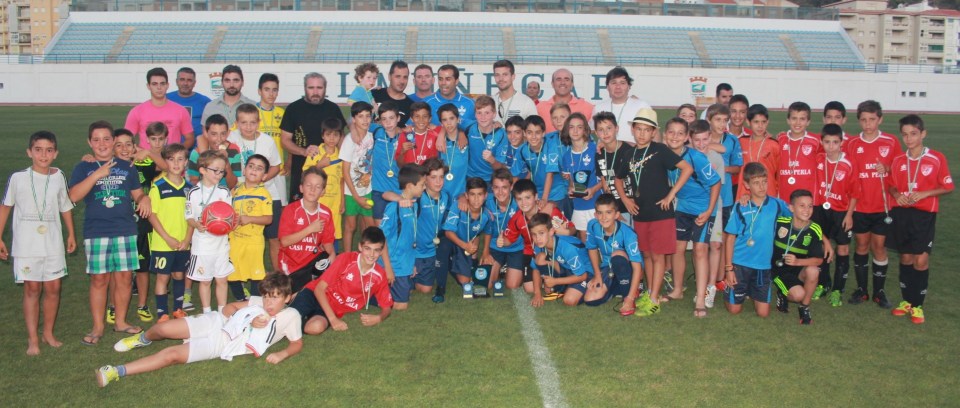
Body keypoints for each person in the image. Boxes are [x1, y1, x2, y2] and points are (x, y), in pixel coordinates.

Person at [96, 273, 303, 388]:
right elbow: (229, 308)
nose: (268, 302)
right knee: (162, 328)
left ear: (287, 298)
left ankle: (115, 371)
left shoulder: (291, 316)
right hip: (216, 322)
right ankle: (143, 339)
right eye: (266, 297)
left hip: (224, 343)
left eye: (275, 297)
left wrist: (282, 354)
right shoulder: (257, 302)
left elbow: (296, 343)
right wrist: (246, 319)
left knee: (172, 355)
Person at [69, 121, 152, 345]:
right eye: (96, 140)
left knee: (124, 277)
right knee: (99, 279)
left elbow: (137, 194)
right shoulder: (83, 167)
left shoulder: (127, 167)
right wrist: (97, 174)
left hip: (125, 228)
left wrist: (145, 198)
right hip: (97, 230)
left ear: (113, 141)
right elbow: (73, 196)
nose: (102, 144)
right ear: (89, 142)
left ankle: (121, 322)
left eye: (106, 139)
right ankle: (97, 327)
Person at [0, 130, 76, 355]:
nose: (44, 155)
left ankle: (48, 333)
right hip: (27, 244)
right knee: (32, 288)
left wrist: (71, 234)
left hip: (52, 242)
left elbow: (65, 206)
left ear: (56, 153)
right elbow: (5, 207)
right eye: (38, 150)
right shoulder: (18, 178)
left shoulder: (59, 176)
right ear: (29, 152)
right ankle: (33, 338)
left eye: (49, 150)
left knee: (54, 288)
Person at [615, 108, 693, 315]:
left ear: (653, 132)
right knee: (647, 255)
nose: (642, 133)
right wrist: (625, 199)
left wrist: (671, 195)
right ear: (633, 130)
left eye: (647, 130)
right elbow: (617, 178)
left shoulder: (660, 150)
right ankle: (651, 292)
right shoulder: (629, 154)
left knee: (658, 256)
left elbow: (687, 169)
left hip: (660, 213)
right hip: (640, 213)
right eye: (638, 129)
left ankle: (653, 299)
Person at [887, 114, 953, 324]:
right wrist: (897, 194)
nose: (909, 138)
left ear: (923, 134)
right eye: (905, 134)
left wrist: (925, 194)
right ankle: (906, 301)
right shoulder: (898, 160)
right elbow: (891, 184)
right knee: (906, 258)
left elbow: (947, 186)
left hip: (924, 215)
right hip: (901, 213)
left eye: (914, 134)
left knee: (921, 260)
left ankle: (917, 305)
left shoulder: (936, 158)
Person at [844, 100, 902, 308]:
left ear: (880, 119)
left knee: (879, 247)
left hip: (882, 208)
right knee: (861, 245)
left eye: (872, 119)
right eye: (863, 120)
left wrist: (887, 168)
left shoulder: (891, 141)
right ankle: (862, 290)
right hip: (860, 207)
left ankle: (879, 292)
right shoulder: (852, 144)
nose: (868, 124)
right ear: (858, 121)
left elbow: (901, 168)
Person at [662, 118, 720, 316]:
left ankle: (701, 299)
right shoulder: (664, 155)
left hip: (703, 209)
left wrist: (709, 210)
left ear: (687, 137)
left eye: (680, 133)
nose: (675, 137)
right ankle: (677, 290)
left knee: (700, 250)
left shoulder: (696, 158)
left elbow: (716, 183)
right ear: (665, 135)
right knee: (677, 248)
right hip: (683, 208)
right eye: (671, 132)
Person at [289, 227, 393, 335]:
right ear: (360, 247)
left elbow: (387, 307)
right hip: (313, 295)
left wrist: (379, 318)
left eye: (376, 250)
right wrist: (333, 320)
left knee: (315, 328)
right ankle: (292, 311)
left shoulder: (379, 275)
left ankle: (297, 318)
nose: (371, 254)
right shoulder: (346, 259)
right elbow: (319, 289)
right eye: (367, 248)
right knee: (289, 318)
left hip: (331, 308)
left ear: (381, 251)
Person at [723, 162, 792, 318]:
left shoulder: (777, 204)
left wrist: (824, 239)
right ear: (747, 185)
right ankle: (733, 287)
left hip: (763, 265)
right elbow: (730, 238)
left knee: (763, 314)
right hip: (740, 263)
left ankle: (750, 290)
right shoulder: (740, 206)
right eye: (756, 183)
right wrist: (728, 269)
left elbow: (799, 218)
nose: (761, 187)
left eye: (764, 182)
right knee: (734, 310)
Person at [501, 179, 576, 307]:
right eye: (519, 199)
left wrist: (565, 231)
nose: (524, 203)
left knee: (549, 287)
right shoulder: (516, 218)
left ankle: (554, 275)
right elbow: (509, 239)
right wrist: (502, 241)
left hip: (552, 253)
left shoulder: (549, 211)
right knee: (529, 289)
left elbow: (572, 229)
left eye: (527, 198)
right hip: (530, 253)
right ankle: (542, 277)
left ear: (536, 197)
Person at [228, 103, 284, 273]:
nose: (248, 127)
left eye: (252, 122)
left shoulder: (267, 141)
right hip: (240, 194)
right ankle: (239, 271)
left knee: (273, 238)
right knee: (240, 234)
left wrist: (263, 179)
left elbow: (276, 165)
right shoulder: (231, 138)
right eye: (244, 123)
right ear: (236, 123)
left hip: (268, 194)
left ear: (258, 122)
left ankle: (277, 275)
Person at [280, 72, 346, 201]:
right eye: (311, 88)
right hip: (301, 169)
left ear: (325, 88)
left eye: (319, 88)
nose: (315, 92)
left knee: (329, 206)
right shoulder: (293, 109)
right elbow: (285, 140)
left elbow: (341, 139)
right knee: (301, 208)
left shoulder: (333, 109)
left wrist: (343, 162)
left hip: (330, 168)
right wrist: (303, 151)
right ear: (305, 88)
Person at [145, 143, 191, 323]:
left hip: (182, 242)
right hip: (163, 243)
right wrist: (167, 238)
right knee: (163, 277)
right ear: (165, 162)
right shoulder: (158, 187)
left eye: (180, 159)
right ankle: (162, 313)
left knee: (179, 275)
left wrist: (187, 239)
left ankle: (178, 309)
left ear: (186, 162)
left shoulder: (189, 189)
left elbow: (192, 217)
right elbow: (152, 215)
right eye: (171, 159)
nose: (176, 163)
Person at [185, 150, 234, 314]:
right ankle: (207, 313)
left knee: (222, 280)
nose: (219, 175)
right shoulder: (193, 193)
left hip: (221, 245)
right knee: (205, 281)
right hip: (202, 246)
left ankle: (222, 313)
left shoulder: (224, 192)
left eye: (222, 171)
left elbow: (229, 216)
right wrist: (197, 224)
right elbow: (189, 217)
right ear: (202, 170)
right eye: (215, 170)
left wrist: (229, 222)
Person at [815, 124, 858, 307]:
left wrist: (849, 215)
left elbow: (855, 193)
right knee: (822, 247)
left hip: (841, 212)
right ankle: (823, 284)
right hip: (821, 210)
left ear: (841, 142)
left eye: (835, 142)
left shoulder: (849, 164)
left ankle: (838, 290)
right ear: (821, 142)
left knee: (842, 249)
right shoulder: (818, 159)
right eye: (827, 142)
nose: (831, 146)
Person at [278, 167, 337, 292]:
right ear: (301, 188)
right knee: (295, 295)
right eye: (309, 185)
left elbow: (328, 241)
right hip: (291, 265)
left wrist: (332, 255)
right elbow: (284, 241)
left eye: (317, 187)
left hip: (312, 262)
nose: (312, 190)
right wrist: (309, 229)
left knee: (320, 291)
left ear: (323, 191)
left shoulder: (326, 213)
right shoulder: (291, 210)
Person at [584, 194, 644, 314]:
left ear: (616, 215)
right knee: (590, 299)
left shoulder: (628, 233)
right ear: (595, 215)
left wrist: (630, 298)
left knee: (617, 256)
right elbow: (592, 249)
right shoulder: (593, 225)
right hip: (608, 267)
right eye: (600, 213)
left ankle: (629, 295)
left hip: (629, 268)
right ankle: (615, 288)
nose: (604, 217)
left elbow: (637, 267)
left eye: (608, 212)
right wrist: (597, 275)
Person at [771, 189, 824, 325]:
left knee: (813, 271)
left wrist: (798, 261)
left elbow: (818, 260)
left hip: (798, 268)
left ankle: (804, 308)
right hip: (779, 269)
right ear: (791, 208)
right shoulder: (780, 222)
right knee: (798, 295)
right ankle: (783, 293)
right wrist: (746, 198)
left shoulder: (814, 229)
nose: (807, 210)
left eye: (810, 206)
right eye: (802, 206)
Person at [227, 154, 274, 302]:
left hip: (254, 242)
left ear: (264, 176)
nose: (254, 170)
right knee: (231, 273)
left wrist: (250, 219)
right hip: (235, 240)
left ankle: (255, 302)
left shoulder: (264, 194)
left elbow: (268, 219)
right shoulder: (236, 190)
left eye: (259, 168)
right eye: (251, 166)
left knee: (256, 274)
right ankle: (241, 299)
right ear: (244, 170)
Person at [380, 164, 427, 309]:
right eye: (422, 185)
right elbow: (381, 237)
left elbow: (410, 237)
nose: (424, 187)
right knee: (401, 306)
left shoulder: (415, 205)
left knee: (407, 293)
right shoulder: (394, 207)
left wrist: (411, 264)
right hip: (394, 264)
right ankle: (372, 292)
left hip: (405, 263)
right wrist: (388, 267)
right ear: (410, 186)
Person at [442, 177, 490, 299]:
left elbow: (485, 231)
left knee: (475, 280)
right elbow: (448, 232)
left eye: (480, 194)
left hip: (467, 245)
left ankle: (469, 264)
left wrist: (485, 252)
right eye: (472, 194)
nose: (476, 199)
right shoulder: (458, 207)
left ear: (485, 195)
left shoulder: (486, 215)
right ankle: (449, 262)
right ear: (466, 195)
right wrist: (465, 246)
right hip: (454, 242)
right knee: (465, 281)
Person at [530, 213, 592, 306]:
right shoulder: (540, 245)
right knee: (540, 258)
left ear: (551, 231)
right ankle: (564, 286)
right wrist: (537, 293)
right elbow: (536, 269)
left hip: (584, 272)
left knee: (569, 300)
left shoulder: (567, 248)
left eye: (541, 233)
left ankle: (592, 288)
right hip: (566, 268)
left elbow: (582, 276)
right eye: (534, 234)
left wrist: (555, 281)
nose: (537, 238)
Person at [411, 158, 452, 297]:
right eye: (433, 177)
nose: (438, 181)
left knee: (426, 289)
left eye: (441, 177)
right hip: (415, 251)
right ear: (425, 179)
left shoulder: (446, 196)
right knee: (407, 289)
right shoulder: (418, 197)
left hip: (431, 251)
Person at [125, 67, 195, 149]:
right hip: (146, 156)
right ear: (148, 86)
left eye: (162, 84)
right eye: (154, 84)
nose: (159, 87)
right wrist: (142, 152)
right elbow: (126, 139)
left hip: (170, 156)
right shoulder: (136, 112)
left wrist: (176, 153)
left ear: (167, 85)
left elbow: (190, 138)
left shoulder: (181, 111)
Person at [303, 119, 345, 246]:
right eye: (328, 134)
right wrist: (319, 165)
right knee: (317, 235)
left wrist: (342, 202)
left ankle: (332, 257)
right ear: (322, 135)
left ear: (340, 136)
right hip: (317, 203)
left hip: (334, 203)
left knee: (333, 235)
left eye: (335, 135)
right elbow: (305, 176)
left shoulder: (341, 156)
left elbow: (342, 180)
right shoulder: (315, 153)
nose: (332, 138)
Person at [560, 112, 601, 240]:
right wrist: (570, 189)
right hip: (578, 205)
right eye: (571, 127)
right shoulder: (566, 156)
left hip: (597, 203)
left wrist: (593, 190)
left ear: (585, 130)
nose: (575, 131)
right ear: (567, 130)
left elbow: (606, 179)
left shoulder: (596, 149)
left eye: (579, 127)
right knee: (585, 242)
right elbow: (571, 182)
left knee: (601, 241)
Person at [341, 101, 376, 252]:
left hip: (367, 190)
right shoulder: (349, 140)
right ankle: (347, 258)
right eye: (361, 116)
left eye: (368, 116)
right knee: (350, 226)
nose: (365, 120)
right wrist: (356, 196)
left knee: (371, 226)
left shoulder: (372, 136)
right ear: (354, 119)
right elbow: (345, 172)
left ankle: (367, 255)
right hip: (351, 193)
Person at [482, 168, 523, 292]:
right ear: (492, 188)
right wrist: (485, 252)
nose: (500, 192)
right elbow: (468, 196)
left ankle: (509, 268)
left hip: (516, 248)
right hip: (495, 247)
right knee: (485, 284)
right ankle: (501, 266)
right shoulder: (486, 200)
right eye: (496, 187)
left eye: (504, 187)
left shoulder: (520, 202)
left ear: (511, 187)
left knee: (512, 285)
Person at [519, 115, 568, 218]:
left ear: (543, 133)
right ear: (524, 133)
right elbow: (521, 173)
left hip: (556, 193)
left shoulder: (550, 146)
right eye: (529, 132)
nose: (533, 137)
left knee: (556, 223)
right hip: (536, 194)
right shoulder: (522, 150)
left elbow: (550, 173)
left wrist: (545, 199)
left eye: (537, 132)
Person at [255, 73, 289, 222]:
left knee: (281, 208)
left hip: (278, 169)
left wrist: (289, 162)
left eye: (274, 90)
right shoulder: (251, 113)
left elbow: (289, 139)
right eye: (267, 89)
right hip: (257, 169)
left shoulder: (282, 113)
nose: (271, 94)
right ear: (259, 91)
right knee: (257, 206)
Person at [777, 102, 821, 203]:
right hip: (784, 199)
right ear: (788, 120)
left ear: (808, 122)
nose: (798, 123)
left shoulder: (816, 141)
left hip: (808, 200)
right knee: (785, 214)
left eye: (802, 119)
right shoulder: (780, 139)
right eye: (794, 118)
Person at [595, 67, 651, 144]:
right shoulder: (598, 108)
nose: (618, 87)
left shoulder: (642, 106)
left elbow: (654, 135)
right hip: (606, 151)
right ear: (607, 87)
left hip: (634, 151)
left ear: (629, 86)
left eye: (622, 83)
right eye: (614, 83)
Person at [593, 111, 632, 222]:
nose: (605, 133)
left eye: (609, 128)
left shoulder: (629, 151)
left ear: (616, 128)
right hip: (613, 211)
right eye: (601, 130)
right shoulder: (599, 154)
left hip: (631, 206)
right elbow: (604, 181)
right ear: (596, 133)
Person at [370, 101, 404, 225]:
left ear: (398, 118)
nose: (388, 122)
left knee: (398, 226)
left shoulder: (405, 137)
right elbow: (353, 122)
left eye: (391, 118)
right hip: (379, 189)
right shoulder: (376, 131)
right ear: (380, 121)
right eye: (384, 119)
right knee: (381, 229)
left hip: (398, 190)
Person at [737, 104, 779, 198]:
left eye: (763, 122)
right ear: (748, 122)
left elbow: (779, 174)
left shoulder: (774, 145)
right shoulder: (740, 142)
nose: (760, 126)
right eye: (756, 122)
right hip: (744, 195)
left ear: (767, 122)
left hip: (768, 194)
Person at [188, 114, 240, 189]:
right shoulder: (196, 153)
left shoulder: (233, 152)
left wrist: (226, 163)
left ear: (228, 133)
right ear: (206, 133)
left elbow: (232, 185)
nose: (219, 139)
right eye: (214, 134)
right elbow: (193, 180)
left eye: (223, 134)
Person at [537, 68, 594, 133]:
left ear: (572, 84)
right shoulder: (540, 108)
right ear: (552, 84)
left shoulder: (588, 107)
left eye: (566, 79)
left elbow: (593, 134)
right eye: (558, 79)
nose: (563, 83)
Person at [466, 95, 507, 183]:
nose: (483, 117)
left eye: (487, 113)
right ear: (475, 114)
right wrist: (460, 133)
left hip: (491, 179)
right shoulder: (469, 127)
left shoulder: (501, 134)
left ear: (494, 114)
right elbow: (451, 123)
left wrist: (492, 160)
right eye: (479, 113)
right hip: (471, 177)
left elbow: (499, 167)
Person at [201, 64, 255, 128]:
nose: (231, 85)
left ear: (242, 82)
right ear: (222, 83)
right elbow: (205, 132)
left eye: (236, 80)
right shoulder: (210, 107)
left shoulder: (254, 106)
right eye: (227, 81)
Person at [166, 67, 211, 140]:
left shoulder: (205, 101)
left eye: (189, 80)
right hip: (170, 146)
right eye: (182, 79)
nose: (185, 83)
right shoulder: (166, 99)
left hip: (197, 146)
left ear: (194, 83)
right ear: (177, 81)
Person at [425, 64, 476, 129]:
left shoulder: (470, 103)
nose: (443, 83)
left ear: (456, 81)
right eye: (440, 79)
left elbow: (480, 129)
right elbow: (414, 128)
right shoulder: (426, 103)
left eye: (448, 79)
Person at [492, 59, 537, 125]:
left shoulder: (526, 102)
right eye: (497, 75)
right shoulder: (490, 101)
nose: (501, 78)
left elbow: (534, 129)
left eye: (505, 74)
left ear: (513, 77)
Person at [372, 60, 414, 126]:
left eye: (405, 77)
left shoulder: (411, 106)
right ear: (389, 76)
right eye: (398, 76)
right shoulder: (374, 94)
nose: (402, 81)